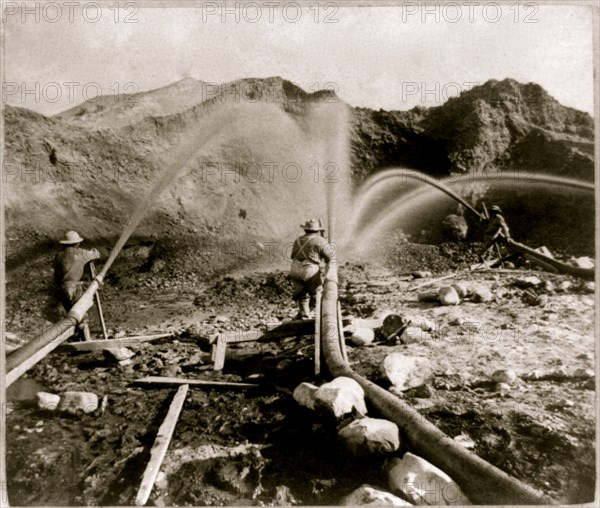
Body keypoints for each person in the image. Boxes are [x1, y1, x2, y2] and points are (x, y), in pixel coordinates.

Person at [54, 230, 100, 340]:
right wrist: (93, 251)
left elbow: (57, 274)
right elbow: (96, 254)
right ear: (77, 243)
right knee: (81, 314)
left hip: (61, 288)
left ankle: (76, 339)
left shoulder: (58, 255)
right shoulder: (81, 253)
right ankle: (85, 340)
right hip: (74, 287)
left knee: (71, 315)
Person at [289, 218, 334, 319]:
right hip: (309, 269)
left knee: (302, 294)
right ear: (318, 230)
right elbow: (330, 258)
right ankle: (319, 316)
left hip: (295, 268)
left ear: (305, 230)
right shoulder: (320, 240)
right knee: (317, 293)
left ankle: (305, 315)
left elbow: (293, 255)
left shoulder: (297, 240)